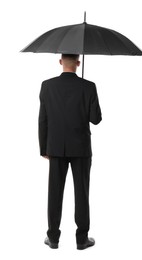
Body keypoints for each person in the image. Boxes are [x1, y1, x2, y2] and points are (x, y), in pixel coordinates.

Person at [38, 54, 102, 250]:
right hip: (81, 148)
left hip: (55, 147)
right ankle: (82, 239)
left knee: (54, 192)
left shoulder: (47, 86)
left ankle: (53, 238)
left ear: (60, 62)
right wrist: (86, 100)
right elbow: (96, 119)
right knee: (82, 193)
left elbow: (43, 119)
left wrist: (43, 148)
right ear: (78, 62)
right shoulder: (89, 86)